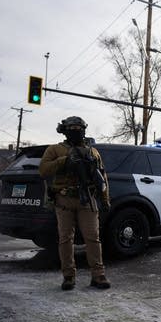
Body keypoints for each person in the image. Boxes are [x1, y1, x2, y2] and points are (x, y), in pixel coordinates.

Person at [39, 116, 111, 290]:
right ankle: (69, 276)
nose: (76, 131)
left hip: (87, 199)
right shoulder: (55, 149)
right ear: (64, 130)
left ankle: (98, 276)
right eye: (72, 128)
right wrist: (64, 160)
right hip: (64, 199)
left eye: (79, 128)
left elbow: (103, 177)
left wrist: (105, 199)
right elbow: (43, 170)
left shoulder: (92, 152)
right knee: (65, 239)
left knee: (93, 238)